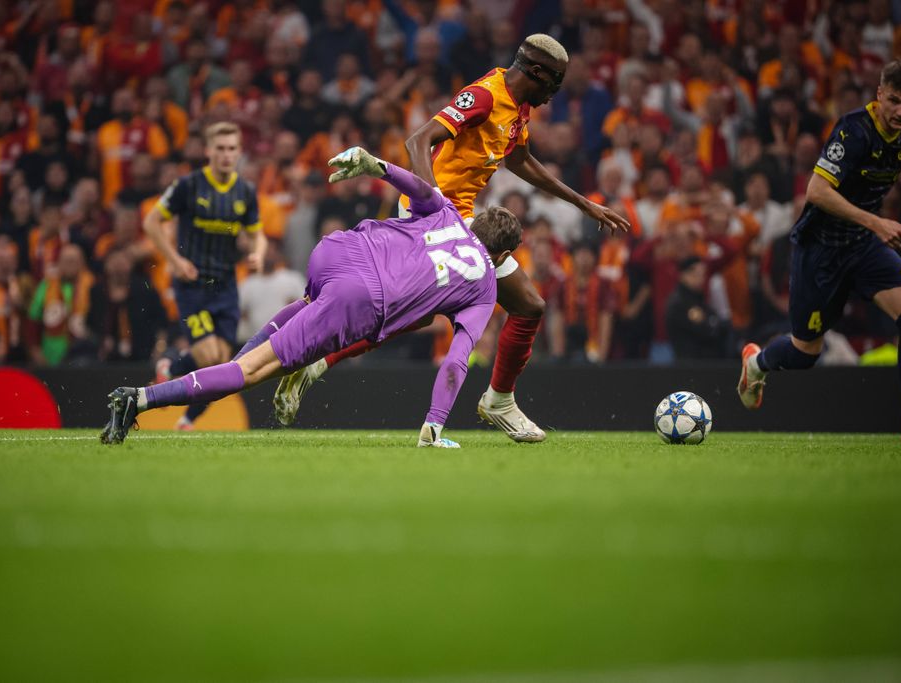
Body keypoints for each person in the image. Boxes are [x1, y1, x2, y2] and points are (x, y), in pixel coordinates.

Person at [273, 34, 631, 442]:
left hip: (459, 220)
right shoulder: (483, 96)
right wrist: (433, 206)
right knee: (435, 310)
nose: (555, 92)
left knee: (520, 306)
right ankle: (318, 361)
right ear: (535, 72)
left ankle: (497, 400)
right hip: (433, 217)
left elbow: (519, 159)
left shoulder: (520, 108)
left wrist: (583, 203)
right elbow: (418, 140)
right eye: (554, 81)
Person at [101, 147, 521, 448]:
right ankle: (137, 399)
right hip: (359, 298)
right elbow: (455, 361)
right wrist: (435, 424)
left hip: (338, 251)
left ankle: (281, 362)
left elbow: (419, 187)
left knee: (259, 351)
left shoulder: (448, 212)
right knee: (249, 372)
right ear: (501, 255)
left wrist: (375, 165)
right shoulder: (485, 287)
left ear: (476, 221)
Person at [738, 59, 901, 440]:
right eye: (894, 101)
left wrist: (872, 228)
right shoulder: (853, 130)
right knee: (805, 354)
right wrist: (876, 221)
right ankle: (756, 363)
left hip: (863, 247)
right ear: (879, 95)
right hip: (820, 251)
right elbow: (816, 192)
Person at [145, 122, 266, 431]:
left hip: (225, 285)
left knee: (226, 362)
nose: (226, 155)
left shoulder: (245, 192)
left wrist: (258, 254)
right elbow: (152, 222)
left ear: (239, 152)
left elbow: (258, 234)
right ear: (209, 151)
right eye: (220, 148)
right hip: (193, 283)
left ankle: (180, 395)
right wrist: (174, 259)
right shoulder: (189, 185)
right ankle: (181, 397)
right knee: (209, 354)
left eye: (232, 149)